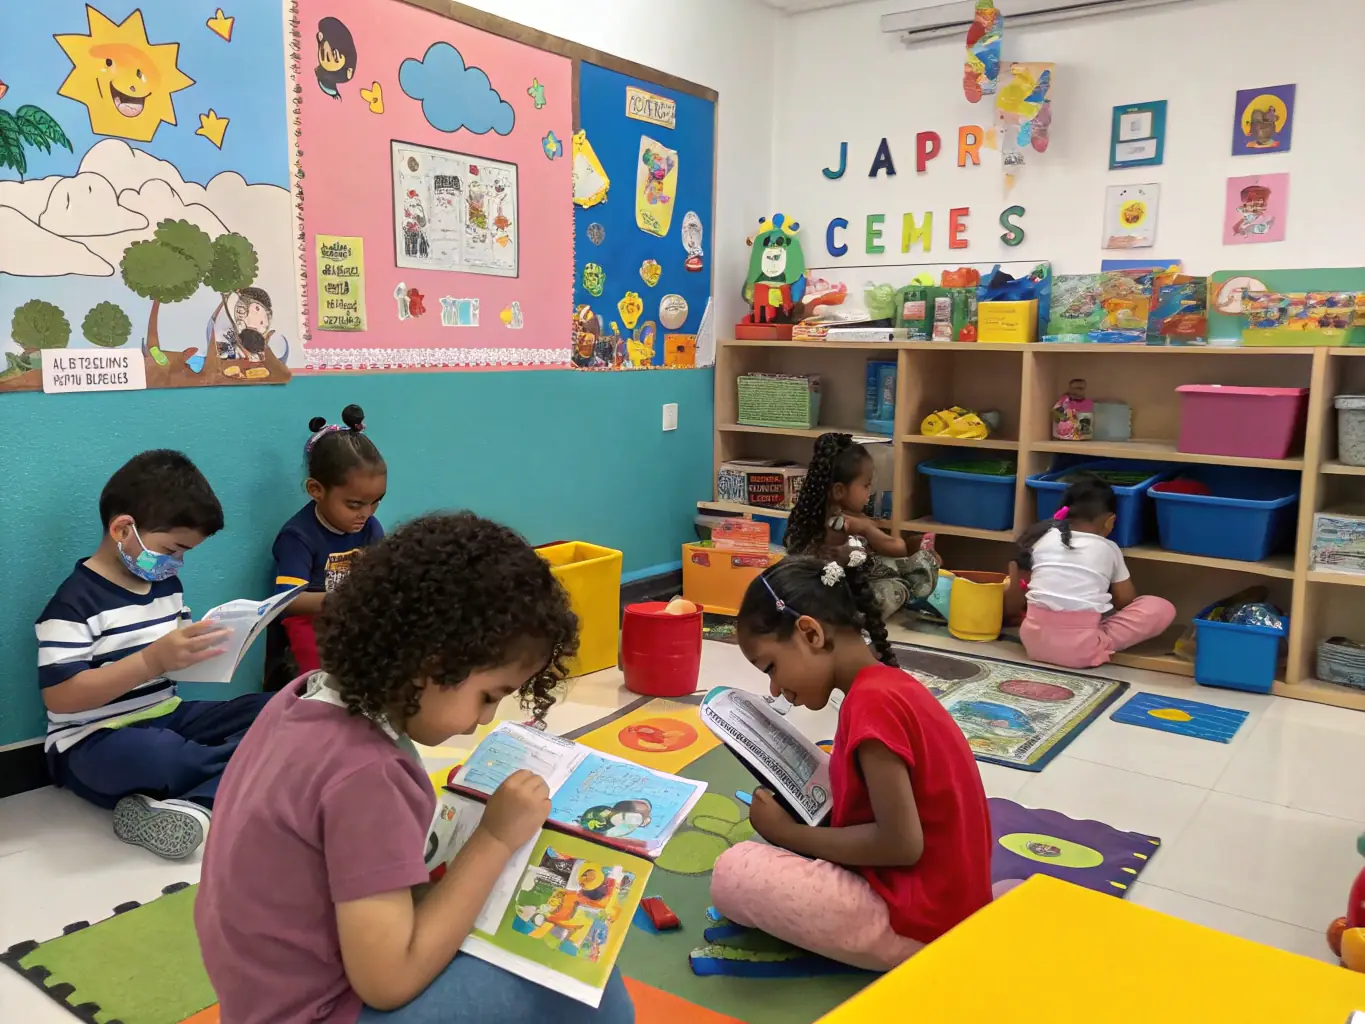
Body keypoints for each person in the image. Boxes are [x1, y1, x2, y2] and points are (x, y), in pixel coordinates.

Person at [196, 513, 635, 1024]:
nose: (484, 721)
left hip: (257, 1005)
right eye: (488, 697)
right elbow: (389, 981)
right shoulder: (367, 775)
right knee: (571, 966)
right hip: (323, 1013)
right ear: (433, 664)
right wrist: (493, 840)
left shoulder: (300, 698)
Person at [710, 556, 993, 971]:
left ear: (810, 633)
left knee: (734, 872)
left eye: (771, 667)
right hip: (948, 901)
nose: (774, 688)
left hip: (918, 923)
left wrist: (787, 835)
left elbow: (901, 844)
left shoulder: (872, 704)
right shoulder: (886, 686)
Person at [34, 450, 269, 859]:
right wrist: (151, 661)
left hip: (167, 715)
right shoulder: (73, 604)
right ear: (124, 529)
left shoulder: (166, 588)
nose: (175, 563)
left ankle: (191, 807)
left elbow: (171, 668)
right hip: (91, 742)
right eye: (172, 549)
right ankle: (230, 784)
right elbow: (61, 696)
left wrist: (209, 648)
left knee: (275, 711)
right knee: (159, 756)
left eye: (184, 554)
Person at [268, 404, 386, 685]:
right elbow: (288, 601)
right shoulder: (299, 535)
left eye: (375, 502)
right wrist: (345, 601)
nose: (366, 513)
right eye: (355, 504)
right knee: (321, 673)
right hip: (311, 620)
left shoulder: (369, 527)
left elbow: (383, 578)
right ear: (316, 490)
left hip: (354, 616)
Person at [1014, 475, 1176, 668]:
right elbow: (1125, 601)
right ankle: (1099, 642)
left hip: (1032, 641)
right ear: (1110, 521)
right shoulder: (1109, 548)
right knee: (1160, 607)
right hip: (1081, 649)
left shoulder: (1041, 538)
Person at [784, 432, 940, 620]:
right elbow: (897, 548)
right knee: (906, 579)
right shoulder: (841, 522)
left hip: (827, 590)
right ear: (840, 490)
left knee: (911, 557)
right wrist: (866, 529)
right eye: (866, 485)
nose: (870, 492)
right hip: (837, 593)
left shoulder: (818, 517)